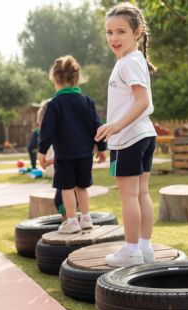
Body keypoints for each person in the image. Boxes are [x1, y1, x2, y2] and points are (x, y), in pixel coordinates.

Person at [95, 2, 158, 267]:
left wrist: (117, 126)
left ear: (138, 32)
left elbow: (141, 101)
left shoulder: (127, 64)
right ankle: (144, 248)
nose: (114, 38)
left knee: (130, 196)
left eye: (120, 31)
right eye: (109, 32)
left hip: (130, 139)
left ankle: (131, 251)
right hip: (144, 135)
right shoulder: (134, 60)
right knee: (141, 193)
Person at [38, 55, 107, 234]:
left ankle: (71, 221)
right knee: (81, 186)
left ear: (54, 78)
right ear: (76, 78)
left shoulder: (54, 104)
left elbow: (47, 130)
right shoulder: (88, 102)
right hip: (85, 155)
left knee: (67, 188)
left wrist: (42, 151)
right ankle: (86, 218)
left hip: (65, 155)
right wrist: (101, 149)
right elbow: (97, 126)